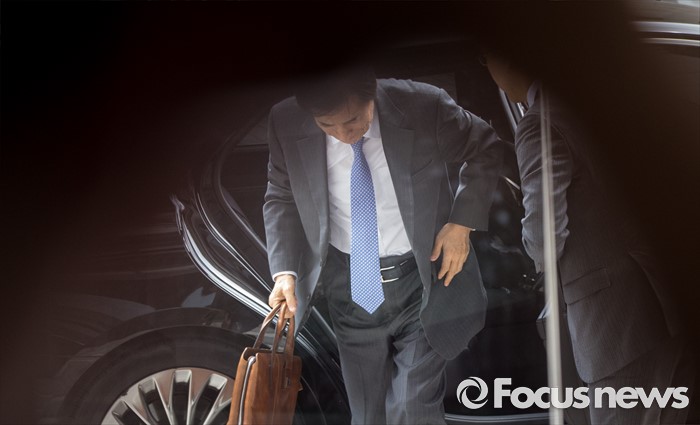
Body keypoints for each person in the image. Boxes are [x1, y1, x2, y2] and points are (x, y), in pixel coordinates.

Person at [262, 66, 502, 424]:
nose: (343, 135)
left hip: (425, 281)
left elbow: (485, 147)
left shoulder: (423, 105)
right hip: (349, 289)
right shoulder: (285, 122)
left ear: (371, 92)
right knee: (367, 415)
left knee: (412, 407)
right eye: (327, 126)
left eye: (352, 120)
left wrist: (461, 224)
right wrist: (285, 272)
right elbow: (281, 196)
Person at [483, 48, 695, 425]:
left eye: (486, 58)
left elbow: (544, 238)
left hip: (614, 326)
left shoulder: (539, 124)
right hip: (662, 303)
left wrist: (520, 246)